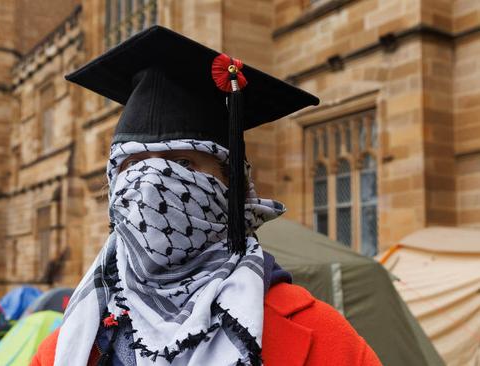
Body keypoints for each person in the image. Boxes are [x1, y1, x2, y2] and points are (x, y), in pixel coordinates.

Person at [31, 26, 381, 366]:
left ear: (233, 186)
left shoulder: (324, 340)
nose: (154, 184)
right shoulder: (66, 348)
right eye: (134, 164)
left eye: (183, 162)